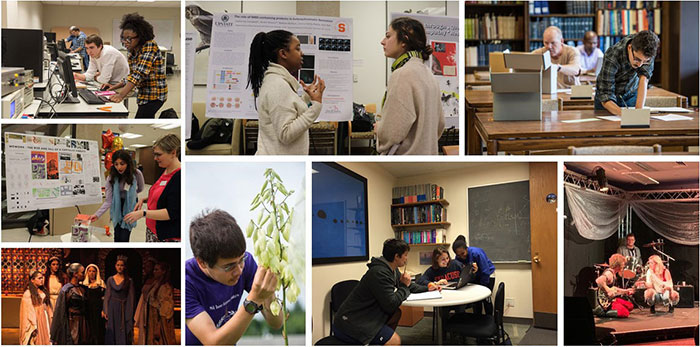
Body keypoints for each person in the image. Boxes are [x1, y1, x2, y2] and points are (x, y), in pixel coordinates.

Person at [185, 209, 282, 345]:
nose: (239, 271)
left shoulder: (246, 263)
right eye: (229, 266)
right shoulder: (186, 280)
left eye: (241, 259)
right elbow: (213, 342)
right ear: (202, 263)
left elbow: (276, 322)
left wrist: (269, 291)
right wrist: (254, 300)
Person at [333, 239, 436, 345]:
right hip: (351, 322)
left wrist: (428, 288)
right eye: (405, 255)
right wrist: (404, 286)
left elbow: (408, 285)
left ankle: (379, 340)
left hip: (367, 315)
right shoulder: (379, 273)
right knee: (395, 341)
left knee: (396, 313)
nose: (407, 258)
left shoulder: (391, 269)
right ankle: (380, 340)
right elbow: (391, 304)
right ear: (396, 256)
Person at [247, 30, 326, 155]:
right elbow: (286, 134)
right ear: (283, 53)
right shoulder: (277, 85)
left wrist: (307, 98)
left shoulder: (278, 82)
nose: (302, 53)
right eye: (298, 48)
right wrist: (315, 107)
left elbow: (289, 111)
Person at [376, 17, 445, 155]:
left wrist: (379, 129)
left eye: (388, 36)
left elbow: (392, 132)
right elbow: (440, 125)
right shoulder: (429, 75)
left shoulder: (402, 75)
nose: (382, 41)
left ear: (404, 40)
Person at [108, 13, 168, 118]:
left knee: (142, 117)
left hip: (155, 95)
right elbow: (132, 76)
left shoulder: (150, 46)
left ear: (140, 36)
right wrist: (114, 87)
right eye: (123, 38)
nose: (125, 42)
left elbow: (139, 74)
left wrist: (121, 95)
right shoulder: (132, 51)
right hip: (143, 94)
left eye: (129, 38)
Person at [124, 134, 181, 242]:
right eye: (154, 155)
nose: (155, 158)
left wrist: (143, 213)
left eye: (159, 155)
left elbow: (172, 212)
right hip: (152, 229)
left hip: (166, 236)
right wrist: (144, 199)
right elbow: (163, 196)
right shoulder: (165, 170)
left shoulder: (179, 176)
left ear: (173, 152)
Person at [595, 30, 659, 115]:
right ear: (630, 48)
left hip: (630, 95)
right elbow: (605, 96)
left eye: (645, 62)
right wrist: (626, 116)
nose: (640, 65)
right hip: (608, 101)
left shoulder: (648, 51)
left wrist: (638, 114)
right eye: (637, 59)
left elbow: (644, 79)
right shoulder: (613, 55)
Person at [90, 149, 145, 242]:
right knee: (117, 235)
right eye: (116, 164)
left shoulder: (136, 173)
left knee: (124, 237)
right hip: (116, 205)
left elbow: (140, 188)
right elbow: (108, 200)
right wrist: (97, 215)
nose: (119, 167)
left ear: (128, 163)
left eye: (122, 163)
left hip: (130, 206)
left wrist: (131, 195)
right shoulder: (111, 177)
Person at [452, 235, 496, 315]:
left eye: (463, 253)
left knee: (486, 299)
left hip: (488, 275)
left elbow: (485, 271)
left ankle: (490, 320)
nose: (462, 257)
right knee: (476, 300)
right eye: (459, 255)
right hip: (476, 276)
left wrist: (483, 286)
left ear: (466, 249)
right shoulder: (457, 258)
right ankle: (478, 320)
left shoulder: (476, 253)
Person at [50, 263, 88, 345]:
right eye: (82, 272)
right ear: (75, 274)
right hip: (72, 322)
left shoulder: (82, 289)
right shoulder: (66, 290)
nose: (84, 274)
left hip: (82, 321)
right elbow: (60, 310)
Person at [104, 255, 135, 345]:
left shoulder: (129, 280)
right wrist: (106, 310)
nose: (120, 267)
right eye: (118, 265)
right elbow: (107, 295)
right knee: (112, 329)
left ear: (124, 267)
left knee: (122, 329)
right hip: (112, 307)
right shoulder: (110, 279)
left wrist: (130, 312)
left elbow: (131, 297)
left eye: (122, 265)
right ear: (115, 266)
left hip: (123, 308)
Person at [143, 261, 176, 344]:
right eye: (154, 269)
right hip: (153, 318)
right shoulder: (156, 284)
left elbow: (165, 309)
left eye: (157, 270)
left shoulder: (165, 287)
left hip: (159, 320)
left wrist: (159, 326)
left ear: (163, 271)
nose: (154, 272)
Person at [20, 271, 53, 345]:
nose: (42, 280)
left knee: (47, 336)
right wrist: (33, 324)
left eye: (42, 278)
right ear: (32, 280)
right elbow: (27, 310)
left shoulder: (43, 290)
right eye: (39, 278)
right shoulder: (28, 293)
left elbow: (47, 305)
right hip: (36, 317)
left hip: (44, 316)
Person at [134, 258, 156, 344]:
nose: (146, 269)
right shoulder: (147, 279)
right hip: (144, 305)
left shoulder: (157, 281)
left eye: (148, 266)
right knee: (143, 331)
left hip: (151, 307)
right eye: (145, 267)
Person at [83, 264, 106, 344]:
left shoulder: (101, 284)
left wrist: (104, 310)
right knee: (88, 330)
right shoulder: (83, 285)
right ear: (87, 272)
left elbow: (104, 298)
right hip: (87, 311)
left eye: (93, 271)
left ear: (96, 272)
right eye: (89, 271)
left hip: (98, 311)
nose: (91, 273)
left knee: (98, 330)